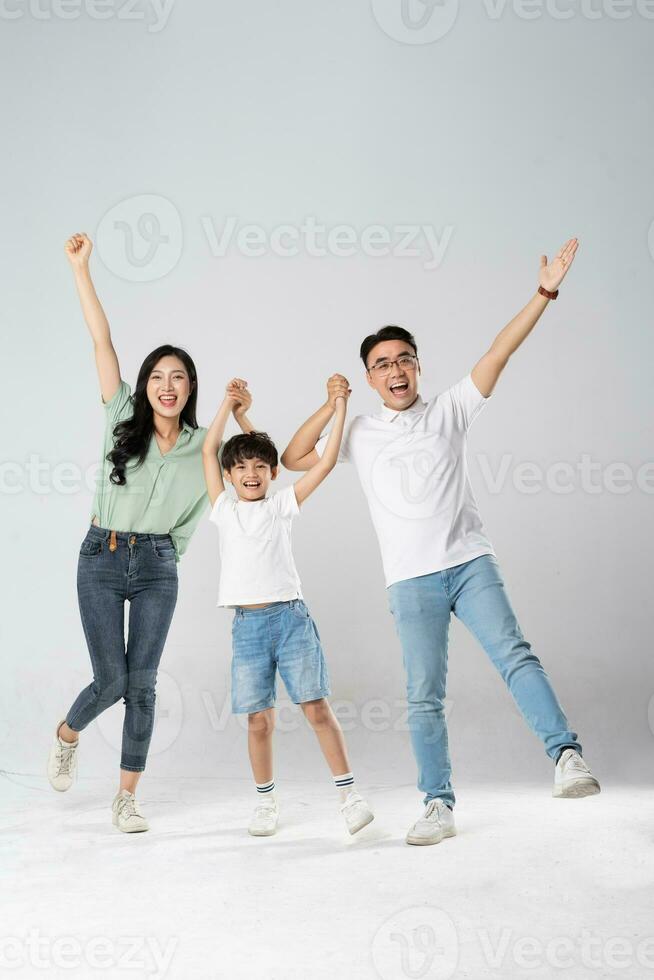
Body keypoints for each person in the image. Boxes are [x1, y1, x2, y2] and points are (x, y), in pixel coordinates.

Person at [281, 238, 600, 846]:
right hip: (410, 579)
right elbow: (295, 457)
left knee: (515, 656)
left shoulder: (450, 408)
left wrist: (545, 292)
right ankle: (437, 805)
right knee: (424, 695)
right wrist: (332, 405)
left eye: (404, 360)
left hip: (470, 562)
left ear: (418, 366)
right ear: (371, 378)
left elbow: (498, 353)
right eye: (382, 365)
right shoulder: (361, 432)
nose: (395, 371)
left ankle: (566, 758)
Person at [47, 233, 254, 833]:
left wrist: (171, 551)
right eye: (159, 376)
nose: (168, 385)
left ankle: (127, 797)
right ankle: (67, 733)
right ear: (145, 386)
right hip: (101, 556)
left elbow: (232, 489)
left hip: (158, 565)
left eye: (180, 378)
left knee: (142, 684)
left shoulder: (201, 450)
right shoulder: (120, 417)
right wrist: (82, 270)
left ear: (190, 389)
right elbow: (102, 340)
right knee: (111, 679)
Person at [202, 381, 374, 837]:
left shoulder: (281, 504)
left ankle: (349, 795)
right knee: (258, 720)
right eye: (240, 468)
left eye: (260, 467)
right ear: (230, 475)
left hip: (290, 619)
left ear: (273, 473)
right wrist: (230, 407)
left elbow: (322, 463)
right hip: (247, 626)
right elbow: (209, 452)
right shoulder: (224, 508)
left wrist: (340, 406)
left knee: (316, 708)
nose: (251, 474)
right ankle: (265, 802)